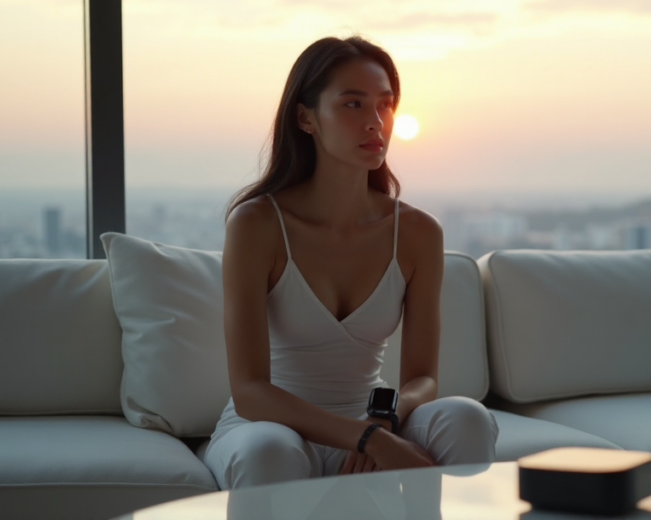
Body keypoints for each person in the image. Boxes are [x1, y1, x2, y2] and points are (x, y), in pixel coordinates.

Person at [202, 36, 498, 490]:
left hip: (371, 420)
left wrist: (382, 420)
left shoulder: (417, 233)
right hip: (270, 429)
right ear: (305, 117)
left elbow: (422, 378)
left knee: (467, 418)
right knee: (269, 452)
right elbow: (249, 392)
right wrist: (366, 439)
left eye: (385, 105)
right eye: (353, 104)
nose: (376, 122)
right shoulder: (258, 224)